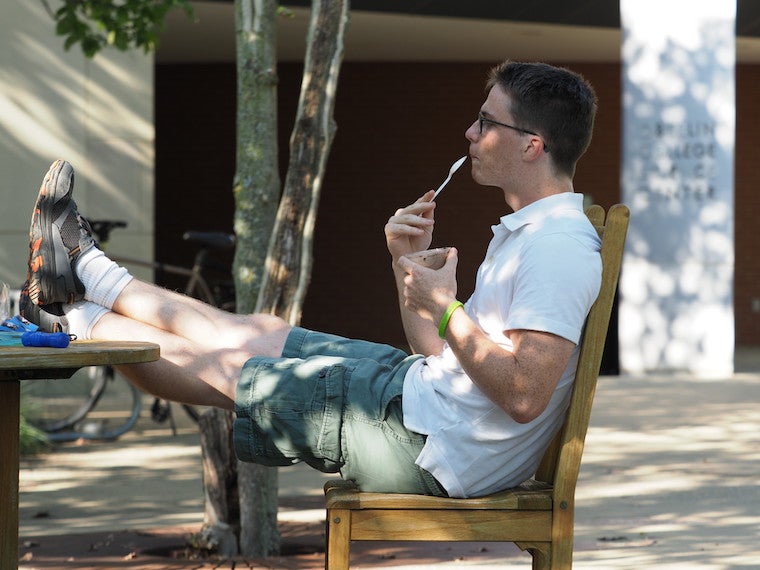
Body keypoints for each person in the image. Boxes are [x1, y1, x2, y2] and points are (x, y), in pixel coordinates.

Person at [20, 60, 601, 499]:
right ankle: (88, 272)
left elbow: (524, 395)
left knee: (238, 374)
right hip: (425, 402)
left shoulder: (557, 249)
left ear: (532, 144)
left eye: (486, 122)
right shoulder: (531, 233)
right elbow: (438, 351)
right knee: (258, 332)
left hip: (429, 450)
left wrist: (448, 308)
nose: (470, 134)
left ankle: (69, 316)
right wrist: (407, 266)